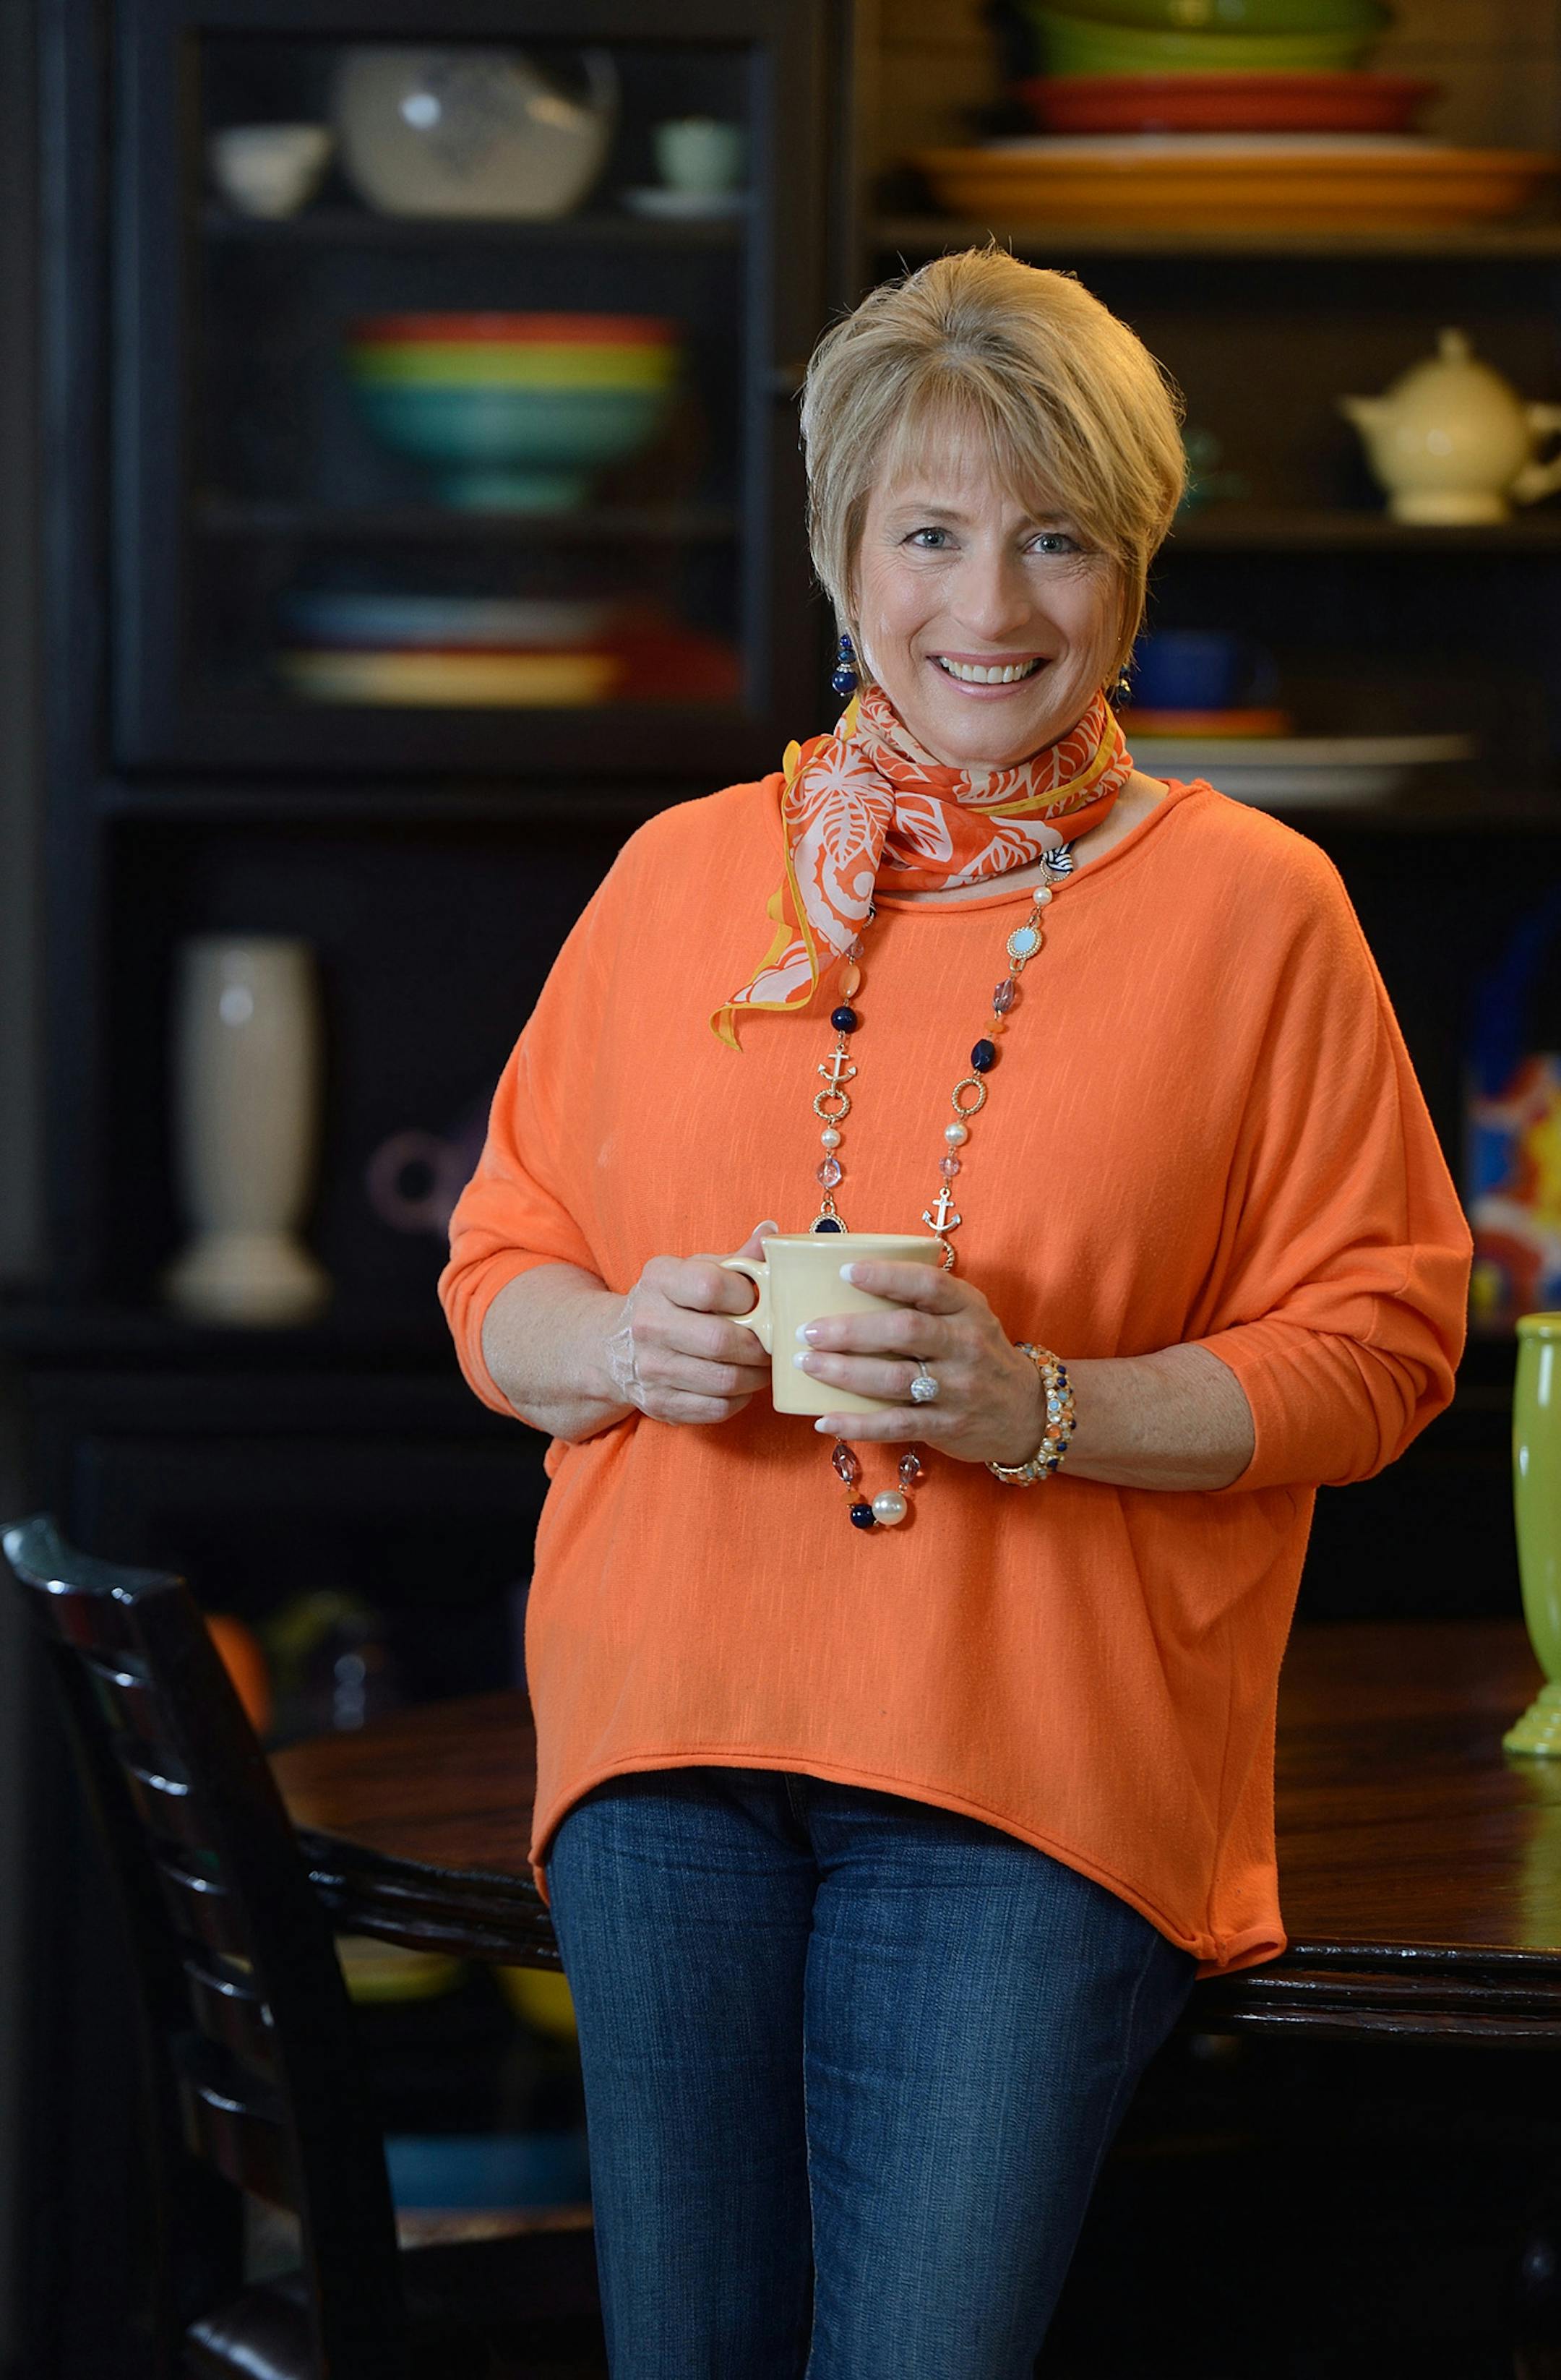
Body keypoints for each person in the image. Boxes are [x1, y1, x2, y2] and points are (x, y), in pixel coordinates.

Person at [439, 247, 1471, 2380]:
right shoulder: (675, 880)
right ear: (842, 559)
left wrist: (1041, 1407)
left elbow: (1381, 1345)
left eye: (1056, 538)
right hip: (662, 1749)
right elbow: (497, 1275)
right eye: (928, 534)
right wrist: (618, 1345)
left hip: (1030, 1779)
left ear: (1133, 571)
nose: (988, 603)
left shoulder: (1259, 911)